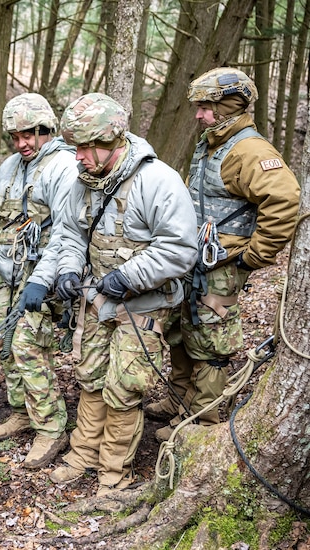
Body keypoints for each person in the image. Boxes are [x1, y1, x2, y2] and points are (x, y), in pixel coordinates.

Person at [48, 93, 198, 496]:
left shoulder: (157, 180)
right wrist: (67, 269)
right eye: (74, 147)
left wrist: (127, 276)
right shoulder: (82, 182)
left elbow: (180, 249)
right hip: (97, 302)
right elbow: (68, 233)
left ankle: (113, 473)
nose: (76, 156)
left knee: (125, 386)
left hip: (143, 306)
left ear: (109, 141)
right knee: (90, 377)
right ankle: (82, 455)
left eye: (83, 147)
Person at [149, 68, 300, 441]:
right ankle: (181, 400)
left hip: (222, 267)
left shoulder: (250, 149)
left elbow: (284, 201)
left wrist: (253, 257)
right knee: (182, 331)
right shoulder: (212, 143)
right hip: (195, 260)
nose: (198, 115)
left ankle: (202, 422)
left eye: (206, 107)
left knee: (211, 342)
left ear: (229, 106)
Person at [0, 92, 78, 469]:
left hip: (45, 276)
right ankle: (22, 409)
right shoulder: (10, 167)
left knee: (28, 344)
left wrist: (45, 279)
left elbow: (70, 231)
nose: (22, 144)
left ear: (46, 129)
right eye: (15, 136)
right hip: (10, 272)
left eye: (29, 135)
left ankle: (51, 427)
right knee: (6, 345)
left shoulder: (64, 167)